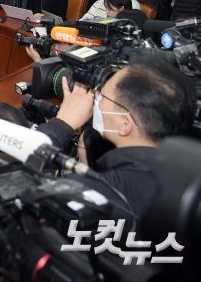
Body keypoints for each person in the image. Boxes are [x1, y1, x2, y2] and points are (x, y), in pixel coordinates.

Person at [36, 55, 196, 217]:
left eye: (102, 95)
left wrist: (62, 125)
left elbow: (22, 191)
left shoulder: (91, 196)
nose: (95, 98)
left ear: (125, 124)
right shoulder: (191, 180)